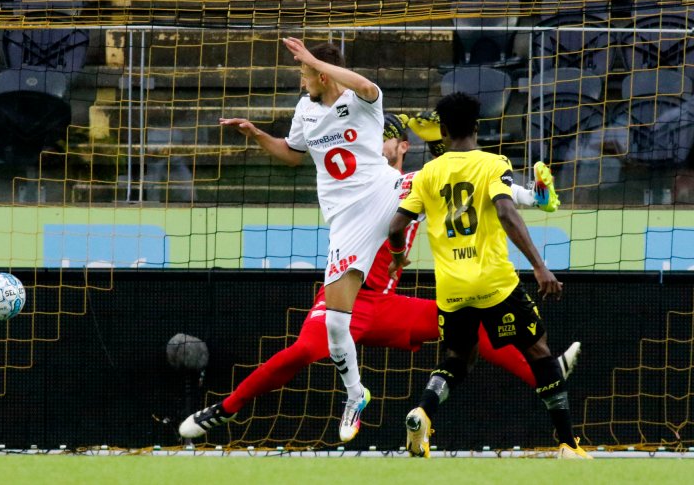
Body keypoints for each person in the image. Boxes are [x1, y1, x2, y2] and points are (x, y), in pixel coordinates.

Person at [179, 112, 578, 440]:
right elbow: (299, 154)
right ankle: (226, 410)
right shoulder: (361, 178)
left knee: (474, 329)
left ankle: (546, 372)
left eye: (386, 138)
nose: (377, 144)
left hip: (384, 304)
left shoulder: (420, 180)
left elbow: (473, 181)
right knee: (301, 352)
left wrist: (532, 195)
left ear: (403, 146)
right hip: (344, 299)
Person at [219, 38, 406, 442]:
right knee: (337, 326)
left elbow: (365, 85)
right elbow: (291, 154)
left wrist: (315, 60)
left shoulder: (362, 100)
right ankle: (355, 394)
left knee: (444, 181)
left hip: (382, 189)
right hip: (344, 221)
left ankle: (525, 193)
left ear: (322, 73)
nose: (302, 84)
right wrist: (255, 134)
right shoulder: (305, 110)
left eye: (305, 75)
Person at [388, 92, 591, 459]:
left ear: (444, 131)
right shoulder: (493, 163)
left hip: (451, 289)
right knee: (539, 351)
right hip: (494, 283)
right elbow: (506, 211)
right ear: (478, 128)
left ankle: (422, 412)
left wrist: (399, 257)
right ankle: (568, 444)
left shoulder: (428, 173)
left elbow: (396, 226)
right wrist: (539, 265)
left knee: (457, 359)